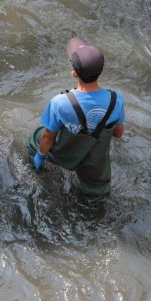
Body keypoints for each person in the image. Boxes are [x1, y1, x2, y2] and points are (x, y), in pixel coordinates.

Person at [28, 38, 126, 200]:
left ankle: (38, 170)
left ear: (74, 73)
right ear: (100, 71)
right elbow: (118, 133)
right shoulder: (116, 100)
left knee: (35, 139)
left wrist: (40, 155)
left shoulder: (60, 102)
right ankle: (91, 207)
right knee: (97, 192)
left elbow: (48, 136)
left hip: (66, 151)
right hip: (96, 160)